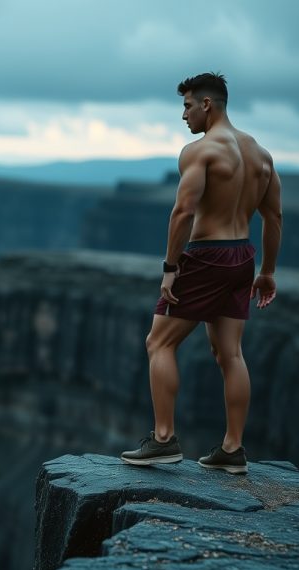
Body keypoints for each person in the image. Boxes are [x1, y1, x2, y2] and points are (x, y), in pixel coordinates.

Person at [120, 72, 283, 475]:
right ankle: (233, 448)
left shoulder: (201, 151)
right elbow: (274, 215)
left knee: (158, 343)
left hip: (206, 255)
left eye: (187, 105)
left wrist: (171, 268)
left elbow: (183, 211)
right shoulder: (261, 155)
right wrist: (267, 271)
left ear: (207, 105)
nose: (184, 115)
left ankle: (162, 439)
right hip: (242, 255)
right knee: (230, 353)